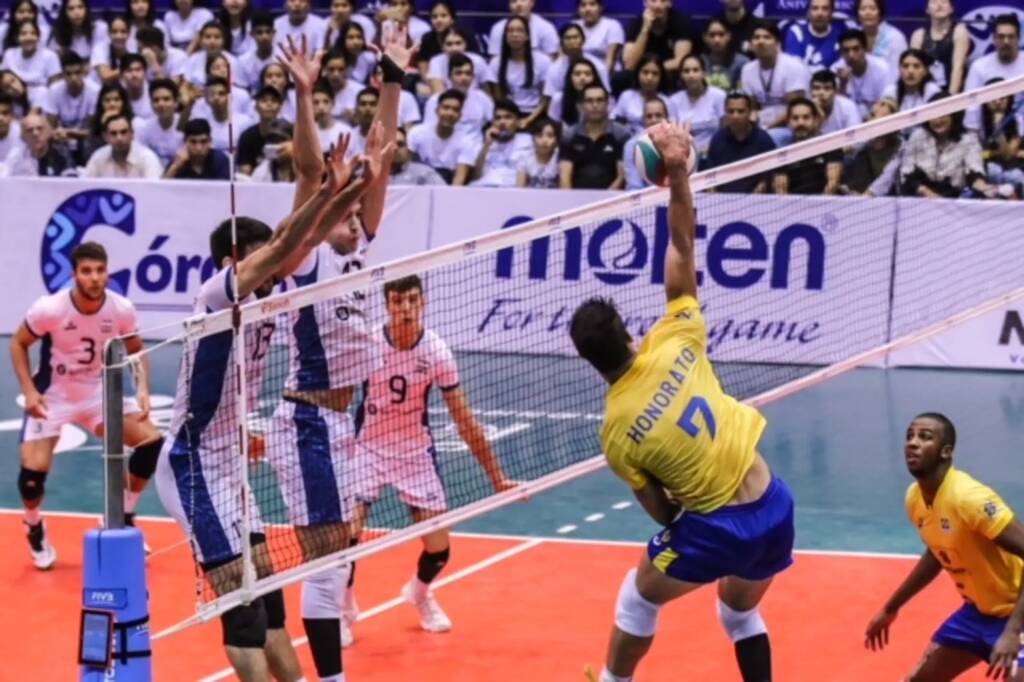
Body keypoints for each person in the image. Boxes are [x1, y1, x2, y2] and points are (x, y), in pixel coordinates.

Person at [574, 120, 794, 682]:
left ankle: (612, 681)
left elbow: (664, 513)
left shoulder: (617, 432)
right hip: (775, 504)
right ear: (628, 334)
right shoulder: (677, 336)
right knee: (738, 612)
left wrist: (690, 519)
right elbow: (682, 242)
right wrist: (676, 173)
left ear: (589, 361)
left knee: (637, 596)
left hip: (717, 528)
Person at [154, 140, 376, 682]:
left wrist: (337, 195)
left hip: (230, 465)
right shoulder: (215, 296)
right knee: (245, 611)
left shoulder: (270, 302)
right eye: (260, 261)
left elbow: (294, 247)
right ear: (235, 263)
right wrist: (327, 191)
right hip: (193, 466)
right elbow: (282, 245)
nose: (279, 269)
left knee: (272, 603)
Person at [273, 26, 409, 667]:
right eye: (346, 209)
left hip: (340, 425)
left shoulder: (363, 252)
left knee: (340, 549)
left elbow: (380, 148)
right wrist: (304, 95)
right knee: (326, 563)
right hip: (306, 422)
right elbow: (307, 172)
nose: (358, 214)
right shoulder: (305, 262)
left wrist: (392, 78)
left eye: (360, 210)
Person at [348, 275, 516, 635]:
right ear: (387, 305)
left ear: (423, 302)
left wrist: (496, 477)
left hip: (415, 452)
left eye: (412, 300)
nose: (405, 309)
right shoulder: (368, 345)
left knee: (439, 549)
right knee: (345, 537)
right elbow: (341, 399)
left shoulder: (436, 352)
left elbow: (464, 419)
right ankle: (344, 609)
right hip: (367, 449)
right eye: (397, 302)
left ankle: (419, 594)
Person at [12, 242, 164, 570]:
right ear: (74, 275)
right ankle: (33, 525)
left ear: (107, 272)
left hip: (98, 394)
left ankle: (122, 515)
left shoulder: (121, 309)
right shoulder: (50, 308)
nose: (94, 278)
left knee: (152, 443)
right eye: (87, 271)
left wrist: (142, 389)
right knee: (30, 480)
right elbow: (18, 343)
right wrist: (29, 391)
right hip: (54, 395)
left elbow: (136, 349)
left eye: (100, 270)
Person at [865, 413, 1024, 681]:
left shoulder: (969, 499)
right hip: (978, 613)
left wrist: (1012, 631)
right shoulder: (914, 498)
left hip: (1017, 613)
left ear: (945, 452)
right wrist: (892, 607)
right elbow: (937, 552)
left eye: (925, 437)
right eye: (909, 436)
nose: (912, 444)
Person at [900, 92, 995, 199]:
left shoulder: (969, 139)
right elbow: (906, 175)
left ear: (954, 114)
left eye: (943, 114)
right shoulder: (917, 136)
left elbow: (974, 172)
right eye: (933, 115)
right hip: (919, 197)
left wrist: (982, 186)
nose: (937, 120)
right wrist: (927, 193)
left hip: (953, 199)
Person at [739, 19, 810, 144]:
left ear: (778, 44)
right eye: (756, 38)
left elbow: (795, 109)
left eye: (767, 37)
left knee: (772, 138)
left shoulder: (793, 66)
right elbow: (751, 106)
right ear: (750, 45)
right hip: (761, 127)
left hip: (791, 126)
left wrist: (767, 129)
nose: (761, 41)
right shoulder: (747, 69)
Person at [704, 91, 776, 193]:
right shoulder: (717, 139)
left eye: (740, 111)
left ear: (749, 113)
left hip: (757, 201)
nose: (735, 116)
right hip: (723, 200)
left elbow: (769, 176)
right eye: (731, 111)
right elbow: (710, 176)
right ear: (725, 113)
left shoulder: (764, 140)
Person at [559, 82, 627, 189]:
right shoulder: (569, 134)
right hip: (576, 198)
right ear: (580, 106)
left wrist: (605, 203)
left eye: (600, 100)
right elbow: (564, 177)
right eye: (589, 101)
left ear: (607, 105)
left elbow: (621, 177)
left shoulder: (621, 134)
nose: (595, 105)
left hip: (612, 199)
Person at [487, 16, 551, 131]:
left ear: (527, 36)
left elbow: (545, 98)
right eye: (510, 31)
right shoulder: (496, 63)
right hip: (508, 114)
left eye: (520, 30)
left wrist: (528, 120)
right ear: (505, 37)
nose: (515, 35)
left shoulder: (543, 61)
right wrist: (509, 119)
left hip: (535, 114)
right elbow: (498, 98)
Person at [963, 15, 1024, 132]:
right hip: (990, 133)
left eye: (1011, 37)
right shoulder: (979, 67)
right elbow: (972, 108)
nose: (1006, 42)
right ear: (994, 39)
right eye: (1001, 37)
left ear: (1019, 39)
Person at [454, 98, 531, 187]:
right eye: (498, 118)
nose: (502, 122)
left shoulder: (528, 141)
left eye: (508, 117)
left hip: (511, 189)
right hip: (483, 189)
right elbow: (476, 176)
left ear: (517, 121)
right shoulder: (484, 143)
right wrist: (486, 146)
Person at [772, 97, 842, 194]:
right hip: (793, 206)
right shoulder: (782, 154)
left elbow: (832, 184)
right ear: (788, 122)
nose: (800, 122)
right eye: (795, 118)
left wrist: (819, 207)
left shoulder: (830, 146)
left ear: (815, 120)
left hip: (826, 204)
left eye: (806, 117)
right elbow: (781, 191)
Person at [42, 51, 99, 164]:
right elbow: (51, 126)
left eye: (77, 73)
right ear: (62, 75)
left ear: (84, 73)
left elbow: (91, 130)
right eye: (68, 74)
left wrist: (70, 133)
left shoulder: (95, 91)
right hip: (61, 137)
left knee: (90, 142)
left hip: (84, 138)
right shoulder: (54, 90)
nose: (73, 78)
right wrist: (59, 134)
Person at [423, 53, 494, 143]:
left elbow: (495, 122)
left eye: (468, 73)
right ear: (449, 77)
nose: (464, 78)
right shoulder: (435, 100)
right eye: (458, 73)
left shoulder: (482, 98)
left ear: (473, 77)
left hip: (475, 149)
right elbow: (429, 133)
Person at [668, 55, 726, 159]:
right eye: (686, 71)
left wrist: (711, 148)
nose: (691, 75)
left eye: (695, 70)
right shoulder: (673, 101)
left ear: (704, 73)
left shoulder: (719, 96)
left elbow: (725, 130)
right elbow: (673, 136)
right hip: (685, 156)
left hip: (716, 152)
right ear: (681, 75)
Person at [909, 0, 971, 94]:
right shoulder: (919, 35)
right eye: (934, 2)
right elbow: (914, 68)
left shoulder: (959, 32)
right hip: (926, 92)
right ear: (927, 10)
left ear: (951, 9)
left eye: (944, 1)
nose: (939, 5)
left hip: (953, 92)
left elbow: (958, 68)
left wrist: (950, 99)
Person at [832, 28, 892, 120]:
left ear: (865, 49)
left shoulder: (882, 68)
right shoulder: (835, 70)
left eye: (856, 49)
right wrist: (843, 84)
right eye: (846, 50)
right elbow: (837, 111)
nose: (851, 54)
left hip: (877, 121)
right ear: (840, 52)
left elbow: (887, 104)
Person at [407, 88, 465, 184]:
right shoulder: (417, 133)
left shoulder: (466, 140)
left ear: (460, 115)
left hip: (449, 185)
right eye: (446, 108)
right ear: (437, 110)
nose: (450, 113)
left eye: (455, 110)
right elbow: (407, 166)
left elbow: (459, 179)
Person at [622, 0, 693, 76]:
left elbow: (682, 61)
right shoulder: (636, 24)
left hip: (671, 75)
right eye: (653, 0)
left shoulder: (681, 22)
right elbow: (629, 65)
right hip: (642, 76)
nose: (658, 6)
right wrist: (645, 30)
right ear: (645, 2)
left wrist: (654, 69)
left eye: (663, 1)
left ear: (670, 3)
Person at [83, 113, 164, 178]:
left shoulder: (147, 158)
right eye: (113, 133)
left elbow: (155, 191)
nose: (119, 138)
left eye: (124, 132)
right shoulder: (98, 157)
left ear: (132, 134)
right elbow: (85, 186)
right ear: (105, 137)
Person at [1, 20, 61, 107]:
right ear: (17, 37)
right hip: (13, 103)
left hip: (43, 102)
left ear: (38, 37)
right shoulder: (9, 54)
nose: (28, 37)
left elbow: (56, 89)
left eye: (33, 33)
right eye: (23, 34)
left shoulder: (50, 56)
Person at [612, 55, 670, 135]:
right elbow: (616, 123)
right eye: (645, 72)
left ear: (661, 77)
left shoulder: (667, 102)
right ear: (638, 74)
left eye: (655, 74)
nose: (649, 77)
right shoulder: (627, 96)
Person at [5, 112, 76, 176]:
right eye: (29, 130)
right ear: (23, 137)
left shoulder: (61, 154)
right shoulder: (16, 156)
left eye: (40, 128)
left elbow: (71, 181)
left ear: (49, 132)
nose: (35, 133)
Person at [135, 77, 183, 166]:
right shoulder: (145, 128)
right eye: (156, 100)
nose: (161, 104)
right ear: (151, 104)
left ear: (176, 102)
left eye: (166, 99)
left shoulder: (185, 124)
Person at [623, 98, 669, 190]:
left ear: (666, 118)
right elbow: (634, 185)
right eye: (649, 116)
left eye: (658, 115)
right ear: (643, 120)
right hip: (645, 200)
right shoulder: (631, 146)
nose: (654, 120)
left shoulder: (679, 142)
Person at [486, 0, 559, 58]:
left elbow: (552, 58)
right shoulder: (498, 28)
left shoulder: (546, 27)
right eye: (514, 1)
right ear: (509, 5)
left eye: (523, 0)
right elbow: (494, 58)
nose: (518, 4)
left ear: (532, 3)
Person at [783, 0, 842, 71]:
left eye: (825, 8)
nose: (820, 13)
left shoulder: (840, 37)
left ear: (831, 13)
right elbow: (793, 69)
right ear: (808, 12)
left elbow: (837, 72)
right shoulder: (796, 32)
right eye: (815, 8)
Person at [164, 117, 231, 179]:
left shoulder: (221, 161)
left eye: (203, 142)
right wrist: (175, 167)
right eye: (193, 142)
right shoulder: (177, 161)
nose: (199, 148)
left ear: (210, 141)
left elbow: (226, 190)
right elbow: (161, 189)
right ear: (185, 141)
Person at [855, 0, 907, 74]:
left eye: (872, 8)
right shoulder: (853, 36)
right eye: (863, 9)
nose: (867, 13)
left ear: (880, 12)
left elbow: (898, 71)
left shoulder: (895, 37)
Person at [881, 49, 940, 113]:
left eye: (916, 66)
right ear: (900, 70)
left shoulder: (932, 91)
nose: (910, 71)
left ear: (925, 71)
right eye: (905, 66)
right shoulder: (890, 92)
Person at [573, 0, 623, 76]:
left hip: (607, 74)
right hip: (579, 74)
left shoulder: (612, 25)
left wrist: (600, 80)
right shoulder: (574, 25)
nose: (587, 9)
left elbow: (611, 59)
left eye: (592, 4)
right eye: (583, 5)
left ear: (600, 8)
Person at [700, 17, 747, 91]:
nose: (717, 40)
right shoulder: (699, 62)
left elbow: (742, 95)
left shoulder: (741, 63)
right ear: (705, 38)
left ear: (729, 36)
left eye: (721, 35)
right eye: (712, 35)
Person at [810, 68, 861, 134]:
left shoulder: (847, 106)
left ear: (835, 92)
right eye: (816, 88)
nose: (821, 93)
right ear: (810, 91)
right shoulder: (805, 109)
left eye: (827, 88)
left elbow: (857, 139)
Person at [516, 116, 560, 188]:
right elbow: (520, 189)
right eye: (539, 136)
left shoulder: (561, 157)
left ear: (557, 140)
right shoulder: (525, 157)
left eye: (550, 136)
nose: (544, 140)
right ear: (533, 139)